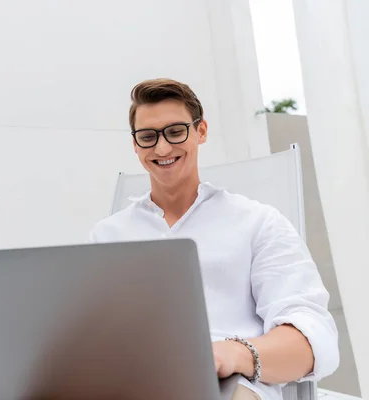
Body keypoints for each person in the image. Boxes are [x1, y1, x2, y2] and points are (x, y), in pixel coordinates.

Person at [88, 78, 339, 399]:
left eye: (175, 131)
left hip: (226, 383)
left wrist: (233, 353)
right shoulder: (108, 235)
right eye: (148, 137)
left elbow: (315, 336)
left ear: (201, 131)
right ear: (135, 145)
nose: (162, 148)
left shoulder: (257, 222)